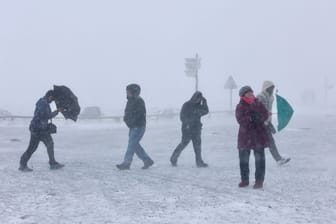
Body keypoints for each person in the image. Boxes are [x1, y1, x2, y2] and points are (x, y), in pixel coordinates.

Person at [19, 90, 64, 172]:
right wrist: (57, 111)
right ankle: (52, 163)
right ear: (50, 97)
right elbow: (45, 116)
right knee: (37, 147)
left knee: (45, 145)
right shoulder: (43, 103)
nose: (52, 101)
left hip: (38, 129)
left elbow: (45, 116)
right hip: (38, 129)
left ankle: (52, 163)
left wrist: (55, 112)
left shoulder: (43, 102)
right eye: (52, 99)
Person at [235, 86, 269, 189]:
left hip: (258, 135)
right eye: (248, 93)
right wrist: (252, 118)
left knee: (260, 160)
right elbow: (240, 120)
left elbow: (265, 114)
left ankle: (259, 181)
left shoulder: (258, 103)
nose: (251, 94)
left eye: (251, 92)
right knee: (243, 160)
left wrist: (260, 117)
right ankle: (244, 180)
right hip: (245, 136)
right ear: (243, 95)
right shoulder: (240, 106)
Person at [116, 84, 154, 170]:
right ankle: (147, 160)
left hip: (139, 127)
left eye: (128, 91)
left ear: (134, 92)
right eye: (127, 91)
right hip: (132, 127)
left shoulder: (139, 101)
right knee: (134, 145)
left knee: (131, 145)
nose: (127, 93)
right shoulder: (129, 101)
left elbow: (140, 114)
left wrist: (133, 122)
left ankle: (126, 163)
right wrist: (126, 120)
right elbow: (127, 113)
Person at [170, 91, 209, 168]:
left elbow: (206, 111)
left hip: (196, 128)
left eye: (200, 99)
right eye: (197, 99)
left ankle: (199, 162)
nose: (198, 101)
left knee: (197, 146)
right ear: (194, 97)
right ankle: (173, 158)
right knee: (183, 144)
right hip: (187, 128)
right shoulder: (186, 105)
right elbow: (182, 116)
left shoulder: (199, 106)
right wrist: (187, 123)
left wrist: (204, 102)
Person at [257, 81, 290, 165]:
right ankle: (263, 161)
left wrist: (268, 115)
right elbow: (259, 110)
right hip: (260, 124)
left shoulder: (271, 97)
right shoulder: (260, 97)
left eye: (273, 88)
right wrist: (265, 114)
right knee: (261, 144)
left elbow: (268, 109)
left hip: (267, 122)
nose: (272, 89)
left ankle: (278, 159)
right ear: (266, 88)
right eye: (271, 88)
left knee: (270, 142)